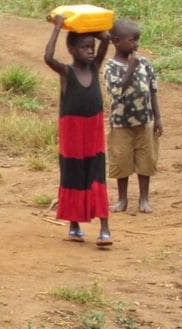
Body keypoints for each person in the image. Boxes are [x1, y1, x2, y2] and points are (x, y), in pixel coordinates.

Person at [44, 14, 113, 247]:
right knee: (72, 174)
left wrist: (92, 29)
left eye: (91, 47)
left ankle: (105, 228)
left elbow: (107, 39)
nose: (90, 51)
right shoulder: (66, 72)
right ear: (72, 50)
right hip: (72, 133)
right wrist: (59, 27)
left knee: (96, 174)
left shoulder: (95, 67)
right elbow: (48, 57)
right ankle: (74, 225)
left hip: (93, 131)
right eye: (84, 47)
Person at [104, 18, 163, 214]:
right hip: (120, 124)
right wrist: (130, 68)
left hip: (145, 121)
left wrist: (158, 118)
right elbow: (117, 91)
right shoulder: (110, 66)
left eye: (138, 40)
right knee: (122, 161)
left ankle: (144, 199)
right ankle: (122, 199)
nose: (136, 44)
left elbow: (152, 91)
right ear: (116, 40)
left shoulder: (145, 63)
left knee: (146, 160)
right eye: (132, 40)